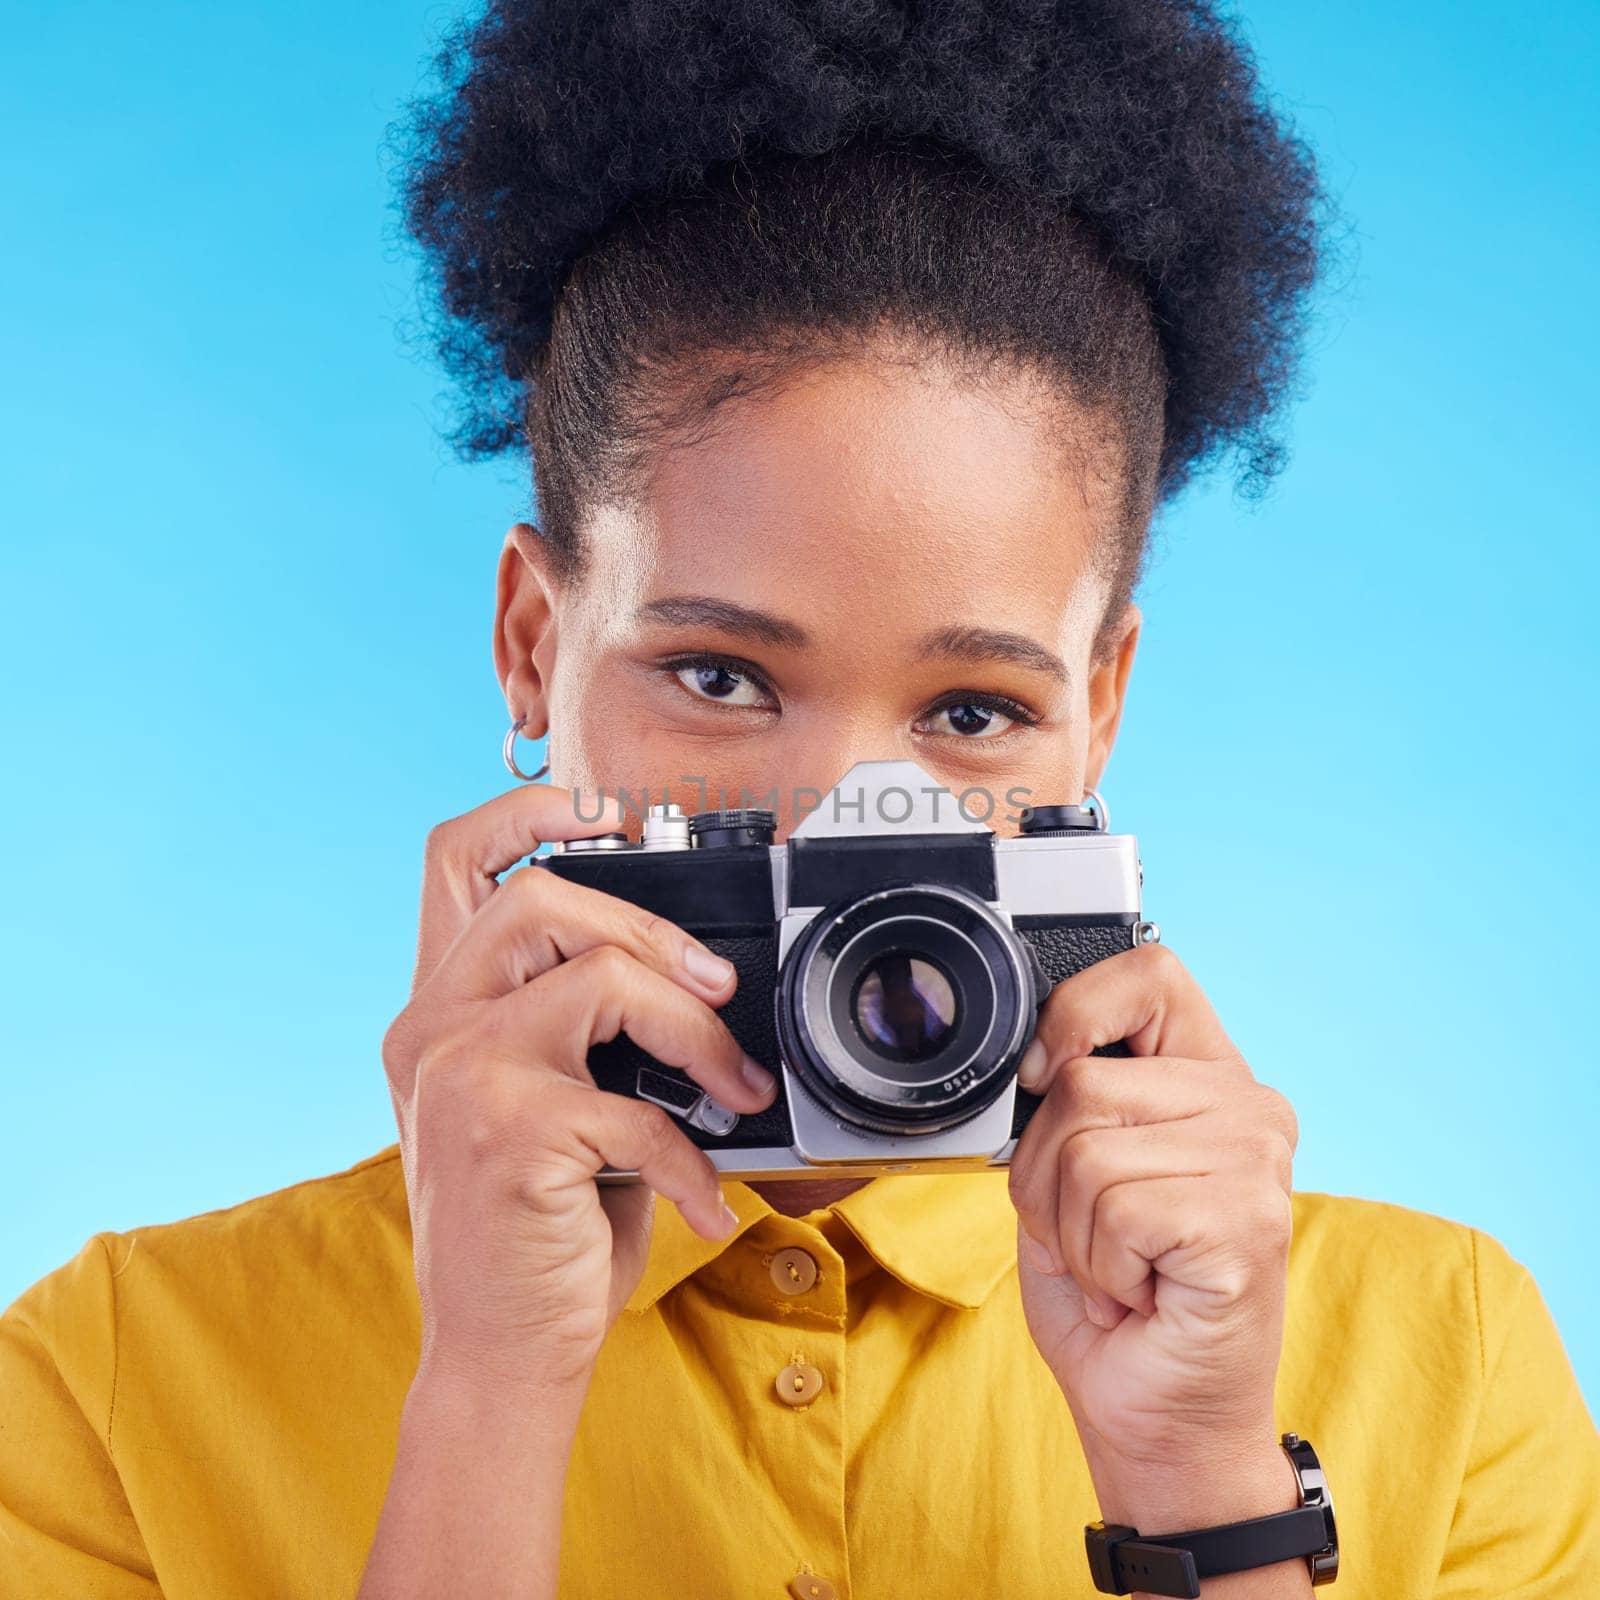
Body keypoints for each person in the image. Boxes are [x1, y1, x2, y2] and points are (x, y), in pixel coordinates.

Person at [2, 2, 1596, 1597]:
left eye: (975, 710)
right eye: (718, 677)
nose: (841, 815)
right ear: (532, 647)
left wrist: (1208, 1489)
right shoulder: (118, 1376)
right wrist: (486, 1395)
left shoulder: (1441, 1354)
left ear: (1096, 713)